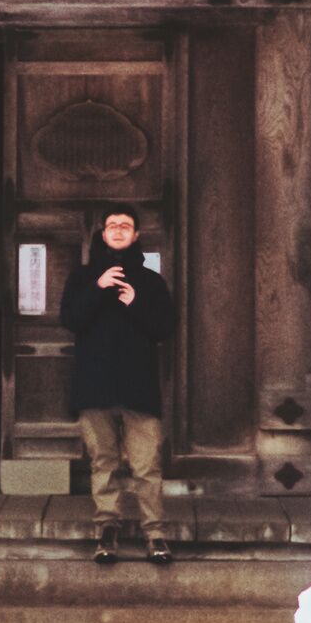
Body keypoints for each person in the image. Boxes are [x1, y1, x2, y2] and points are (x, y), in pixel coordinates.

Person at [59, 206, 179, 560]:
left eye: (126, 225)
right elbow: (71, 320)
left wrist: (134, 302)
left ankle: (154, 533)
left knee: (146, 465)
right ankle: (106, 530)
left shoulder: (151, 282)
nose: (119, 230)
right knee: (103, 462)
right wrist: (98, 288)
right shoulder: (83, 277)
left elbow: (165, 328)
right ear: (102, 232)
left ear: (137, 234)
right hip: (95, 384)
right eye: (113, 225)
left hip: (138, 385)